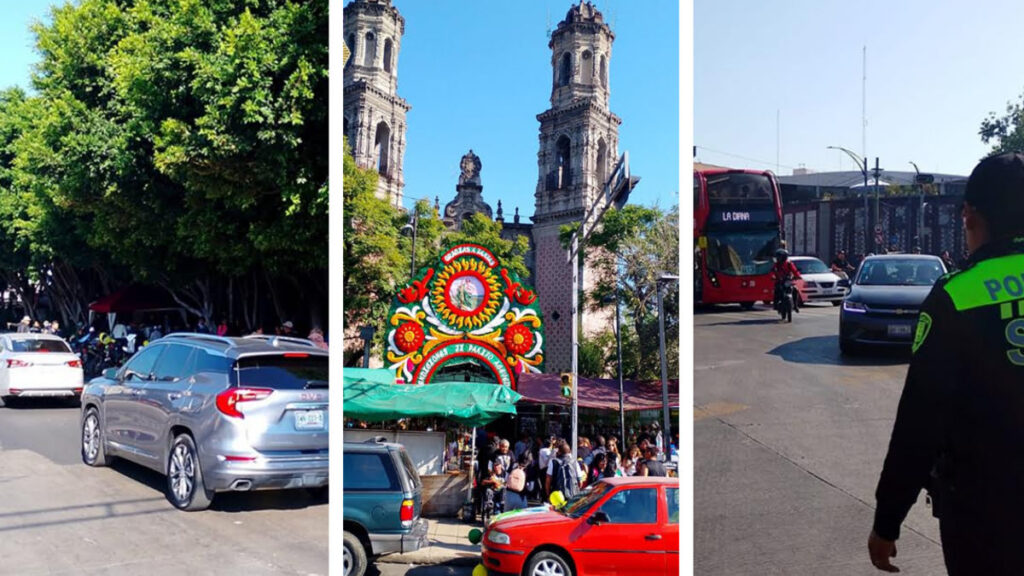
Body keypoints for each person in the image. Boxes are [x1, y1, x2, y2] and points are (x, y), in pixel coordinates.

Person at [868, 152, 1024, 574]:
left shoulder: (956, 297)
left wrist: (888, 521)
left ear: (970, 216)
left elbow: (920, 422)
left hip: (985, 516)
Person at [770, 248, 802, 313]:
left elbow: (795, 271)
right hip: (779, 281)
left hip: (788, 281)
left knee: (795, 290)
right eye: (777, 257)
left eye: (779, 257)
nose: (778, 258)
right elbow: (772, 272)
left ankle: (795, 306)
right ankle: (775, 304)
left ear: (784, 257)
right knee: (776, 290)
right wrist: (773, 277)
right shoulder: (776, 265)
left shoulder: (789, 264)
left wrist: (798, 276)